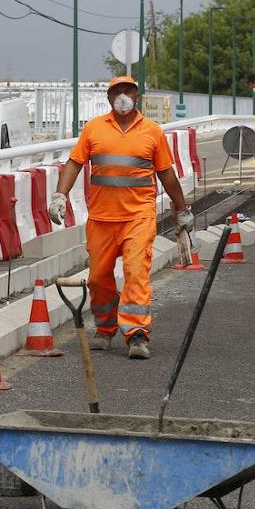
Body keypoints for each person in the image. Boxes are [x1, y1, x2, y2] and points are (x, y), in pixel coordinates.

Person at [50, 76, 191, 359]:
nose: (123, 95)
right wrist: (59, 195)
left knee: (136, 273)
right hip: (101, 219)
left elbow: (166, 173)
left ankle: (137, 334)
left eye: (128, 90)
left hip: (138, 217)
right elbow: (75, 162)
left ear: (137, 96)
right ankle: (105, 329)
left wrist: (182, 209)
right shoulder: (94, 129)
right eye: (117, 91)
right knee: (98, 279)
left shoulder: (152, 131)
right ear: (108, 97)